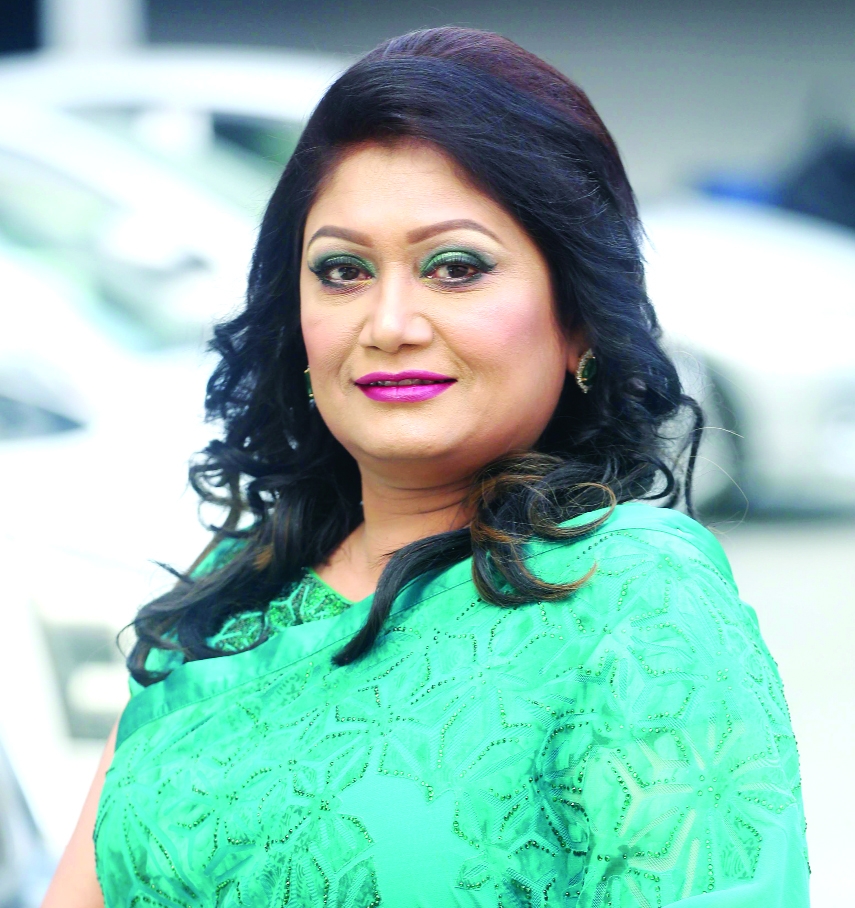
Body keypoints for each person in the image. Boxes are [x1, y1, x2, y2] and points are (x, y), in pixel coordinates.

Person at [44, 27, 809, 908]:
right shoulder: (234, 592)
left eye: (455, 268)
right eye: (342, 271)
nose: (389, 324)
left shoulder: (634, 598)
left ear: (578, 322)